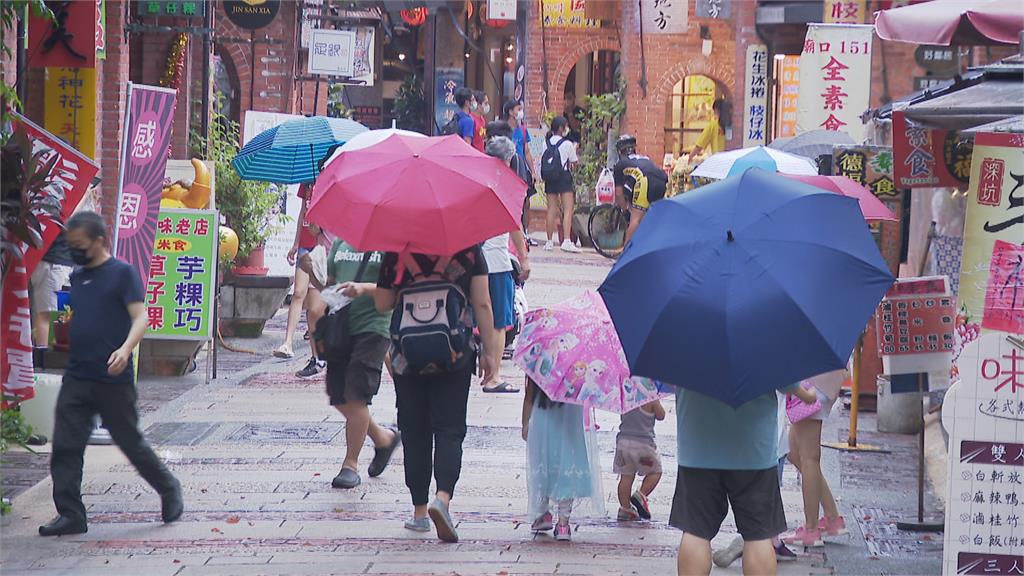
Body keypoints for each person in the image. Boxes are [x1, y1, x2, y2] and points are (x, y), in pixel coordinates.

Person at [40, 211, 183, 537]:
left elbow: (141, 318)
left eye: (81, 245)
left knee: (130, 442)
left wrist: (125, 349)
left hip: (112, 378)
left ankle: (168, 487)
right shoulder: (77, 276)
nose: (75, 251)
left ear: (100, 241)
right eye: (71, 245)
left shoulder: (122, 274)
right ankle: (71, 514)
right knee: (65, 443)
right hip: (78, 375)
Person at [374, 246, 502, 543]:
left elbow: (382, 302)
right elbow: (482, 304)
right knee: (450, 428)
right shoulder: (469, 250)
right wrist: (491, 354)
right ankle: (442, 498)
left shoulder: (396, 252)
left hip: (407, 357)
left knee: (415, 429)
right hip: (455, 354)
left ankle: (419, 512)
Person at [670, 381, 804, 576]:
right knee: (758, 534)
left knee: (695, 531)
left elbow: (667, 377)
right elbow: (789, 385)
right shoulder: (766, 347)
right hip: (753, 450)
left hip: (698, 446)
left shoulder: (680, 348)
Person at [299, 241, 402, 490]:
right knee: (338, 395)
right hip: (341, 328)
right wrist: (311, 271)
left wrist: (364, 289)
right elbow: (331, 287)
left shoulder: (390, 248)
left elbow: (397, 293)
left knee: (356, 396)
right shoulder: (340, 246)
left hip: (374, 328)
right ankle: (383, 438)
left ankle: (350, 464)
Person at [713, 391, 799, 568]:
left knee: (697, 530)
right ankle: (769, 541)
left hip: (741, 443)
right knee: (762, 517)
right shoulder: (771, 365)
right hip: (767, 445)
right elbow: (796, 390)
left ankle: (764, 540)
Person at [481, 136, 532, 393]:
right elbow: (514, 224)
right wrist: (523, 258)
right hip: (497, 261)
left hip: (476, 261)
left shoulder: (476, 179)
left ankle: (486, 367)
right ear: (509, 159)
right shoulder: (506, 184)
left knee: (482, 316)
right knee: (500, 321)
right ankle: (494, 376)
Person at [522, 378, 600, 542]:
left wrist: (525, 424)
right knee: (567, 467)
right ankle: (563, 524)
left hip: (542, 420)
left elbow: (529, 397)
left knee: (543, 464)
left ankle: (543, 514)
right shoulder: (579, 368)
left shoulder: (540, 362)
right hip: (570, 424)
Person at [783, 369, 849, 548]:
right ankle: (831, 517)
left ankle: (811, 529)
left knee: (809, 457)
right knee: (793, 451)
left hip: (813, 385)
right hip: (820, 382)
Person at [276, 182, 324, 380]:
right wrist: (296, 243)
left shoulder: (331, 182)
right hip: (305, 245)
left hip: (321, 247)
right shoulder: (307, 183)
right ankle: (288, 342)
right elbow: (302, 214)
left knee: (315, 306)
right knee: (298, 293)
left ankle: (320, 354)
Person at [613, 134, 669, 247]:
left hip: (644, 181)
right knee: (649, 218)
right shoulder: (644, 158)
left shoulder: (620, 165)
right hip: (661, 181)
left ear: (620, 151)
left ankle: (625, 253)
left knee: (636, 218)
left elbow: (618, 193)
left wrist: (625, 210)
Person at [614, 399, 665, 521]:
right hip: (644, 447)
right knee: (656, 471)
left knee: (625, 477)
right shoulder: (650, 399)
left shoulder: (624, 398)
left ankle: (625, 508)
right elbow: (661, 416)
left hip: (623, 445)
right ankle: (641, 495)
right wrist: (656, 402)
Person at [541, 116, 580, 253]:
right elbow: (573, 162)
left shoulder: (546, 142)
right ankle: (567, 240)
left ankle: (549, 241)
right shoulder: (568, 144)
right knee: (568, 208)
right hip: (563, 176)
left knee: (551, 209)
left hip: (550, 177)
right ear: (561, 128)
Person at [30, 232, 73, 350]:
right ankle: (43, 358)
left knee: (58, 315)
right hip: (52, 264)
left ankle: (48, 357)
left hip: (59, 264)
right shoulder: (55, 215)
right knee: (48, 315)